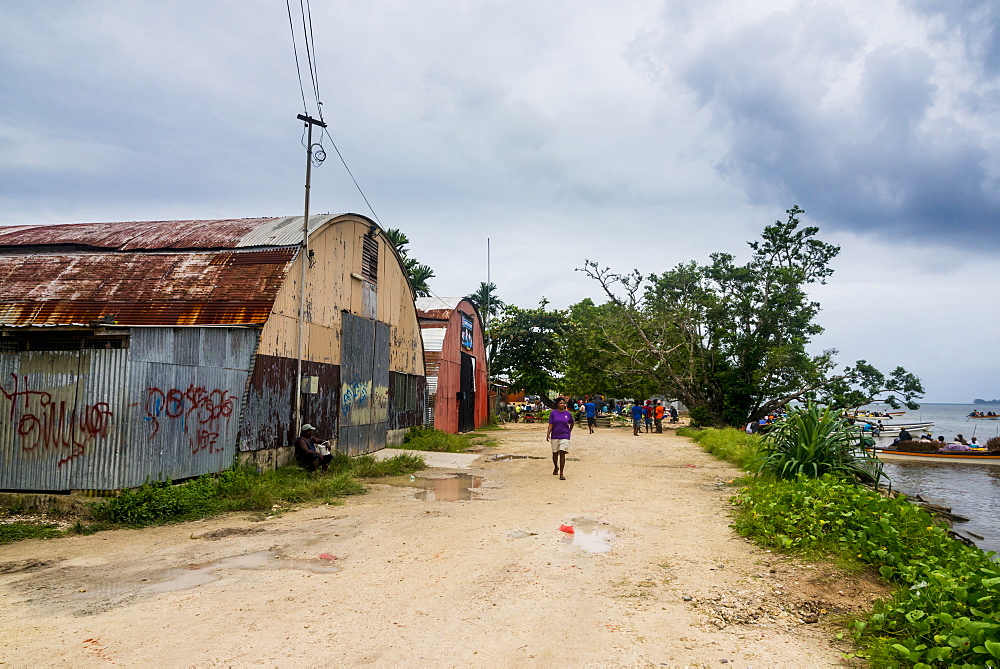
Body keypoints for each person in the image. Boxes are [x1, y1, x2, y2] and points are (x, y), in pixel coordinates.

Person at [546, 396, 574, 480]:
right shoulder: (553, 413)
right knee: (555, 453)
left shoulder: (568, 414)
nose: (562, 404)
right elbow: (551, 424)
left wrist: (569, 431)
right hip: (555, 435)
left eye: (564, 403)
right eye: (561, 403)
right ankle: (556, 466)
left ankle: (561, 473)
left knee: (562, 453)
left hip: (565, 435)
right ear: (557, 404)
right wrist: (548, 434)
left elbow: (572, 423)